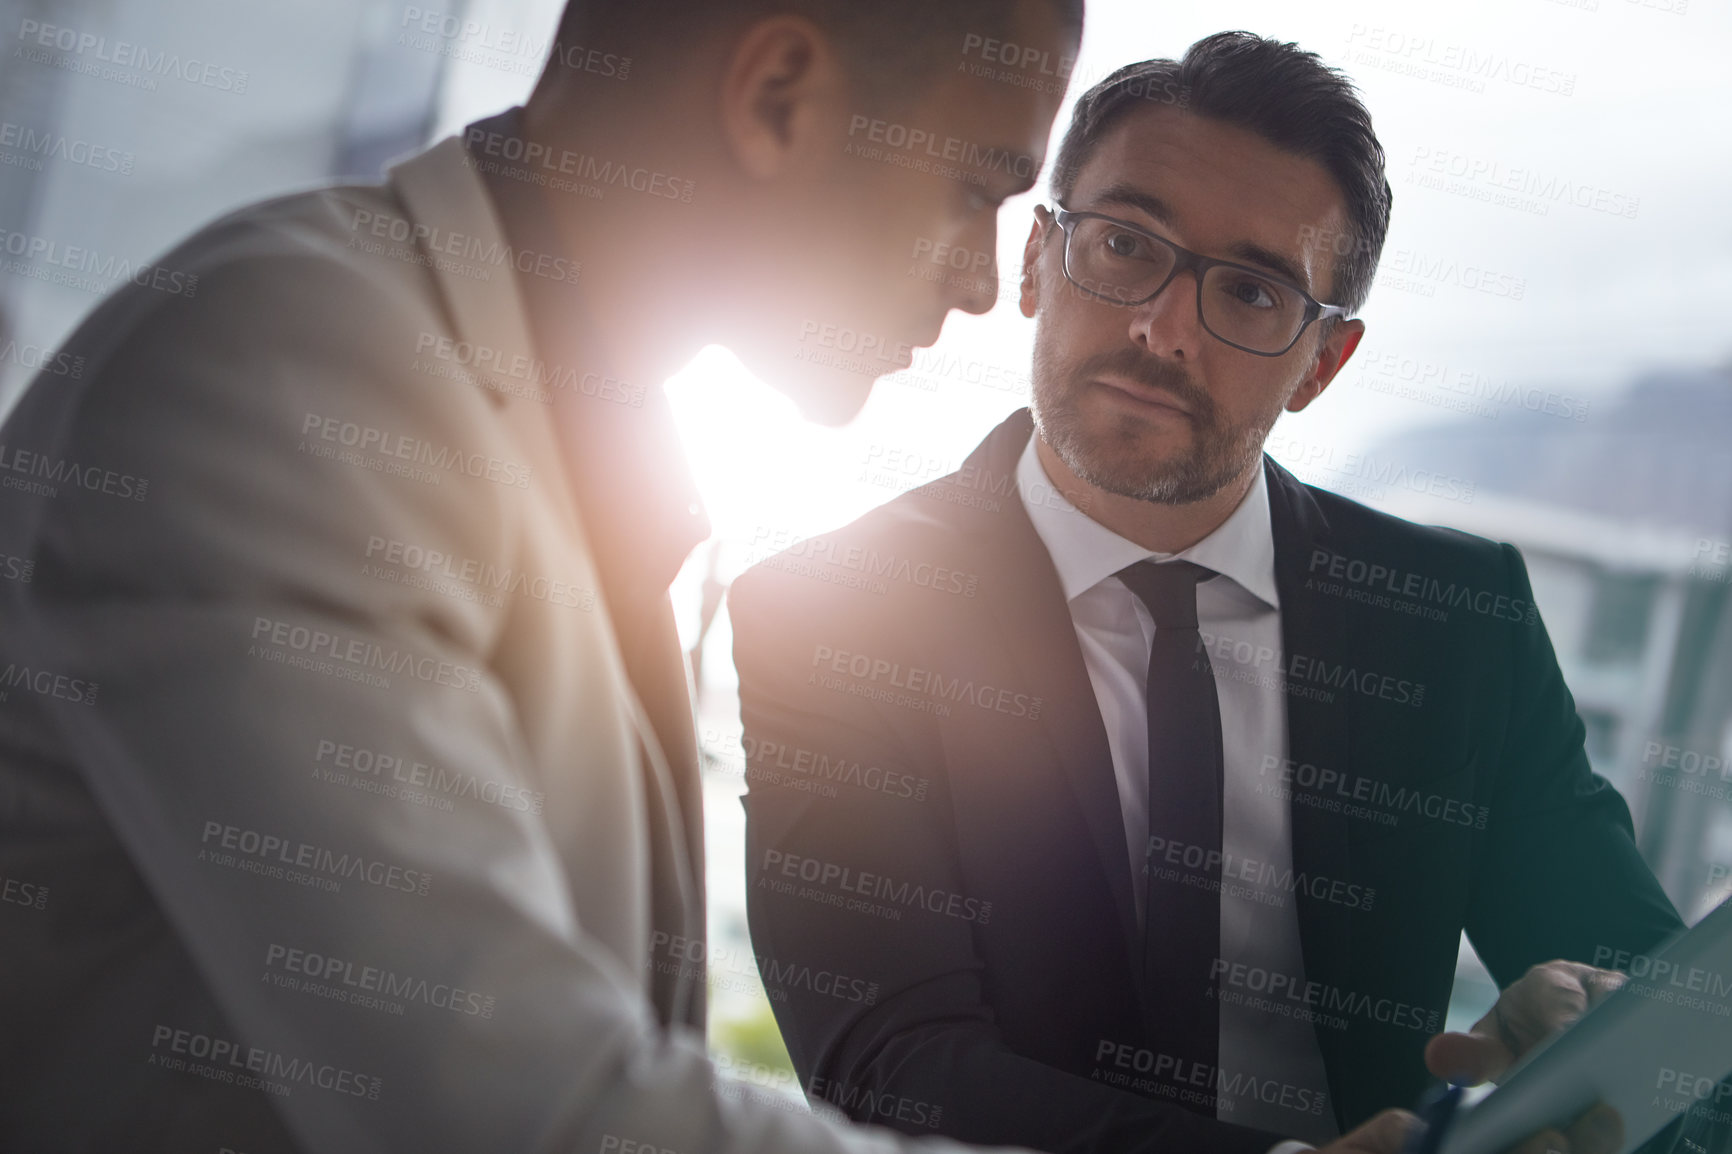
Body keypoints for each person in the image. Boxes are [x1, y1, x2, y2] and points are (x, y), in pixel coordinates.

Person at [0, 1, 1084, 1149]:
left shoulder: (575, 439)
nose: (977, 282)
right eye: (975, 186)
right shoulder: (288, 370)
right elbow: (515, 1108)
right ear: (778, 100)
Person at [730, 32, 1683, 1154]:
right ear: (1038, 260)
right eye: (1125, 245)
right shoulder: (831, 612)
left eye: (1248, 288)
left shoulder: (1455, 617)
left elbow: (1659, 1001)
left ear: (1320, 363)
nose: (1162, 327)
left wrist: (1589, 1019)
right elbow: (889, 1062)